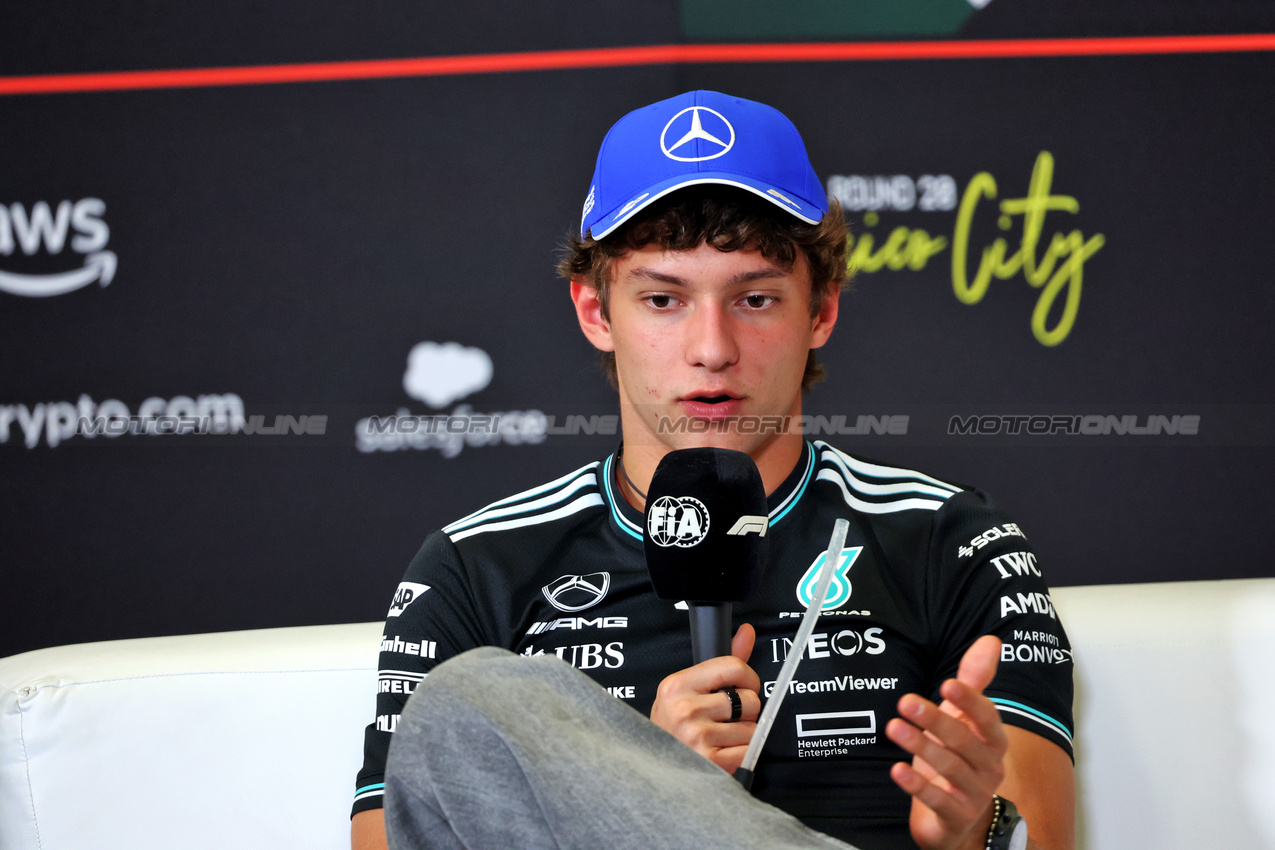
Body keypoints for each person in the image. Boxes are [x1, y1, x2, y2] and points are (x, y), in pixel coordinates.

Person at [351, 90, 1075, 850]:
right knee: (471, 701)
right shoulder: (474, 567)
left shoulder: (951, 541)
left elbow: (1042, 835)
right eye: (663, 299)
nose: (711, 348)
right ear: (595, 313)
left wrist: (970, 832)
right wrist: (640, 794)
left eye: (754, 299)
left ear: (821, 310)